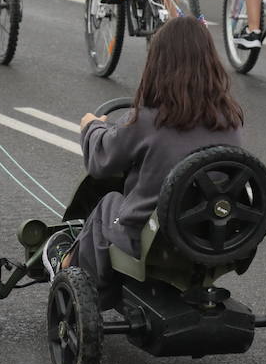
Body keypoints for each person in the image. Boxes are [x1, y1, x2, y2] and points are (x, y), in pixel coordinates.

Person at [42, 16, 245, 283]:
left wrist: (91, 128)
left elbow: (101, 161)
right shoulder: (230, 120)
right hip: (210, 235)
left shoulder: (147, 120)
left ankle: (70, 264)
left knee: (109, 204)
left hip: (154, 241)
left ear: (159, 65)